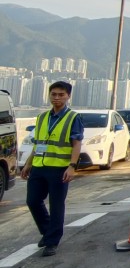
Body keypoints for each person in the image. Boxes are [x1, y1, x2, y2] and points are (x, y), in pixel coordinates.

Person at [21, 81, 84, 257]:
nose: (56, 98)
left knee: (56, 205)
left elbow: (77, 143)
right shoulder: (42, 118)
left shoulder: (73, 117)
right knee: (33, 201)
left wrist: (72, 166)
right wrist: (28, 163)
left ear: (68, 96)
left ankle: (52, 242)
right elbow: (38, 144)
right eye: (53, 94)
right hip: (39, 167)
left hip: (59, 169)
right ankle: (48, 232)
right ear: (49, 95)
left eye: (61, 95)